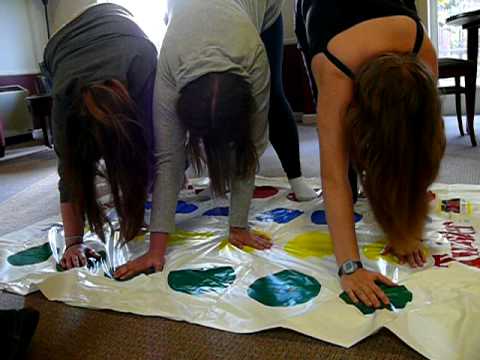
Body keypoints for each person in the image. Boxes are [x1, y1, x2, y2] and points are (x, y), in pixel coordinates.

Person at [113, 0, 316, 280]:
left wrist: (239, 225)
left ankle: (296, 175)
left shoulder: (253, 55)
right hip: (186, 18)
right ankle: (217, 178)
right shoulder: (170, 63)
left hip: (259, 9)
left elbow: (252, 148)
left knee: (276, 96)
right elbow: (169, 159)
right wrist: (155, 250)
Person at [295, 0, 446, 307]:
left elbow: (423, 149)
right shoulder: (334, 70)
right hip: (324, 22)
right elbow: (333, 176)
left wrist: (406, 227)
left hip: (397, 19)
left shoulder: (423, 52)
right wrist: (350, 267)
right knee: (341, 160)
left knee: (405, 147)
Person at [43, 3, 158, 270]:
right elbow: (68, 174)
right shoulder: (63, 101)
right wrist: (73, 242)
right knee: (74, 166)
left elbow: (154, 150)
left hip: (127, 33)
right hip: (60, 45)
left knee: (148, 151)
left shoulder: (142, 64)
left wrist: (138, 208)